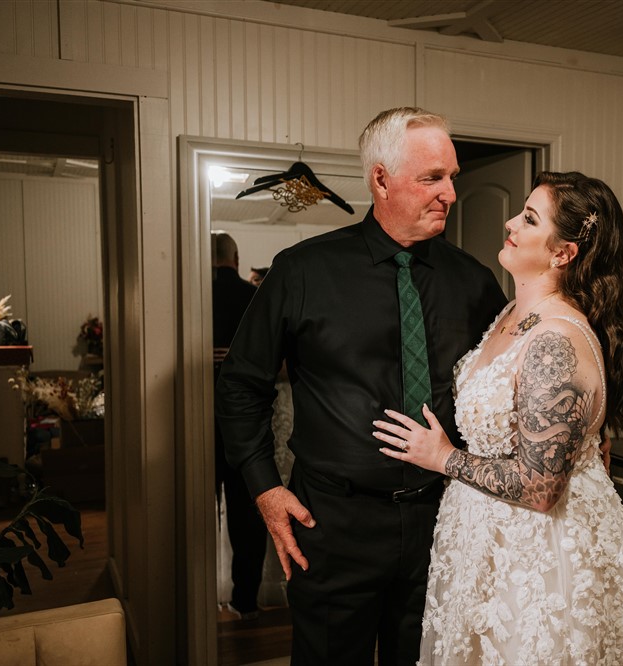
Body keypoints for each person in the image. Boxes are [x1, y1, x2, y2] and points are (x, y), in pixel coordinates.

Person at [215, 107, 507, 665]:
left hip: (443, 525)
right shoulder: (300, 272)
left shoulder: (474, 282)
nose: (449, 193)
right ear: (380, 179)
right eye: (431, 178)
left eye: (451, 177)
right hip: (333, 526)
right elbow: (240, 385)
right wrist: (267, 491)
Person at [373, 172, 623, 664]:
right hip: (486, 543)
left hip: (540, 557)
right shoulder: (511, 312)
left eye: (529, 218)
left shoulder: (554, 341)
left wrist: (443, 457)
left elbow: (540, 487)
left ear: (562, 253)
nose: (510, 222)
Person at [211, 231, 268, 621]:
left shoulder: (191, 297)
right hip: (246, 421)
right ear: (235, 256)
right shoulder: (253, 297)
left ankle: (191, 594)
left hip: (195, 420)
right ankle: (244, 597)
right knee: (248, 512)